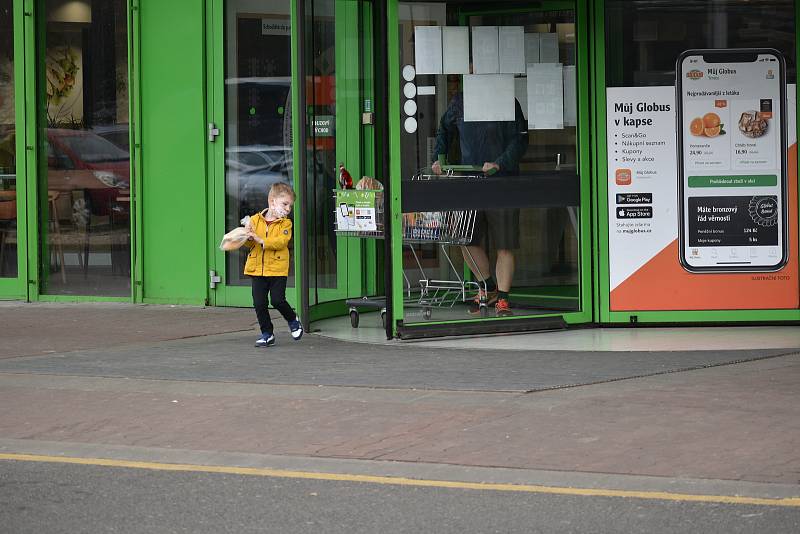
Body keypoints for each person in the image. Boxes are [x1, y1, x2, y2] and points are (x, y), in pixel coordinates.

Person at [431, 90, 527, 316]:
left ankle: (503, 298)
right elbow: (443, 129)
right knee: (466, 237)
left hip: (503, 182)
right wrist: (439, 157)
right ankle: (489, 287)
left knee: (505, 243)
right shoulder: (460, 102)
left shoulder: (507, 101)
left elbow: (521, 138)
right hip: (470, 182)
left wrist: (501, 163)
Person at [244, 182, 303, 347]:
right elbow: (249, 244)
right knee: (259, 303)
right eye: (285, 204)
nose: (288, 209)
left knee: (277, 300)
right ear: (272, 202)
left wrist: (261, 240)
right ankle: (267, 333)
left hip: (277, 269)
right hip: (258, 270)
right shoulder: (255, 220)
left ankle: (292, 319)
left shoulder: (286, 224)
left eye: (290, 206)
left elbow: (281, 242)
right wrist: (248, 238)